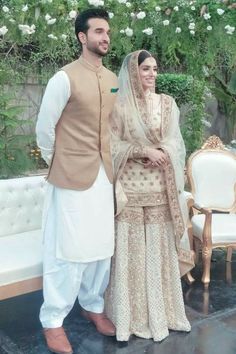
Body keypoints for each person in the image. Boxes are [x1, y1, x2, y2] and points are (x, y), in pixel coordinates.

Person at [36, 8, 118, 354]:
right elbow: (44, 128)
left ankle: (92, 306)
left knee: (101, 249)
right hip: (70, 176)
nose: (105, 37)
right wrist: (59, 162)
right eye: (98, 31)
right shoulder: (63, 78)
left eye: (108, 32)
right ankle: (53, 321)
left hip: (103, 176)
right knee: (67, 252)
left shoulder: (113, 78)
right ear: (82, 37)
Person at [105, 50, 194, 342]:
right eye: (145, 69)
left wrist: (163, 152)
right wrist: (142, 151)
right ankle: (130, 317)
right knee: (131, 252)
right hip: (130, 189)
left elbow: (176, 143)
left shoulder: (168, 104)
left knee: (157, 251)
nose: (152, 74)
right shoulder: (118, 106)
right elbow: (110, 145)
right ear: (133, 72)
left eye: (155, 69)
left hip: (159, 188)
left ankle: (164, 313)